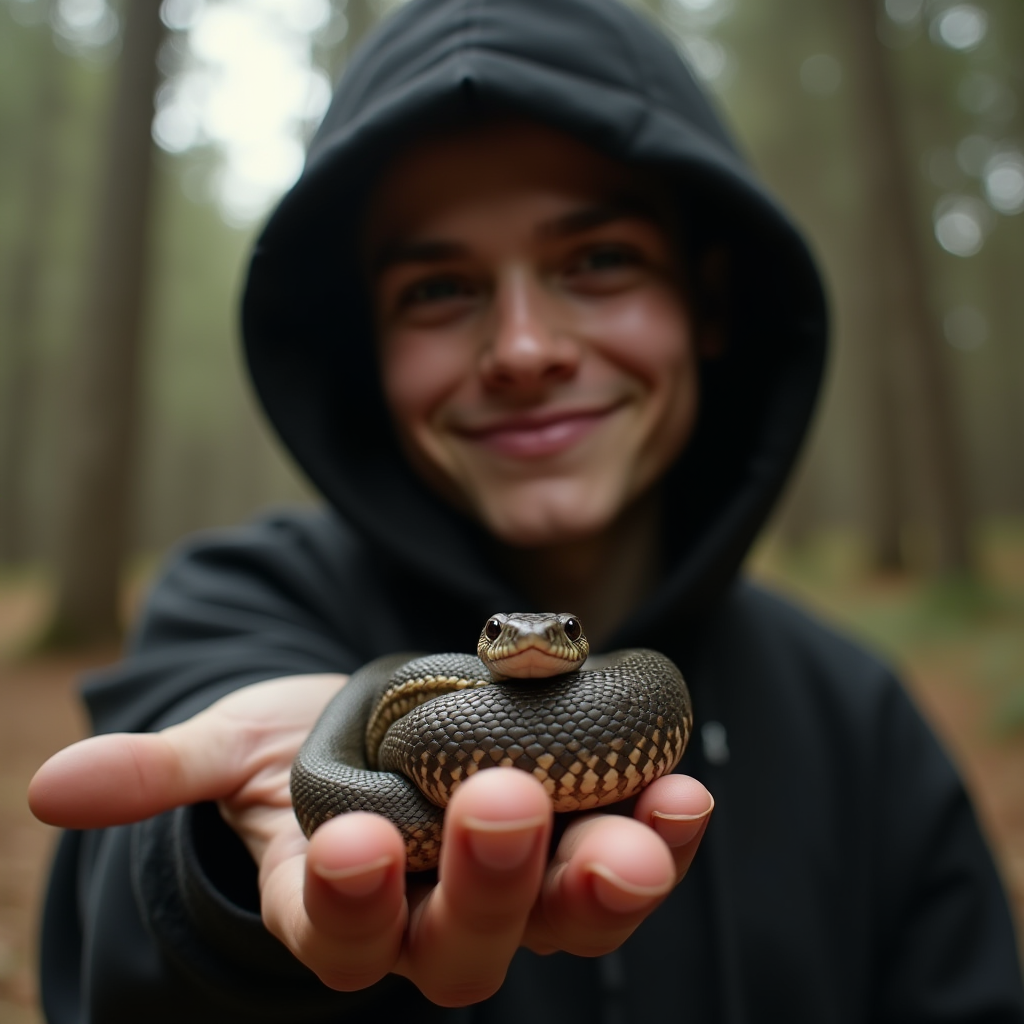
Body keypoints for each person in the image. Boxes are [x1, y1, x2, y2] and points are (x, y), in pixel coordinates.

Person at [28, 0, 1024, 1021]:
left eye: (597, 261)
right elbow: (125, 919)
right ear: (366, 351)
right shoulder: (231, 601)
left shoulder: (859, 720)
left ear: (709, 301)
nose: (522, 349)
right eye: (439, 288)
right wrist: (218, 880)